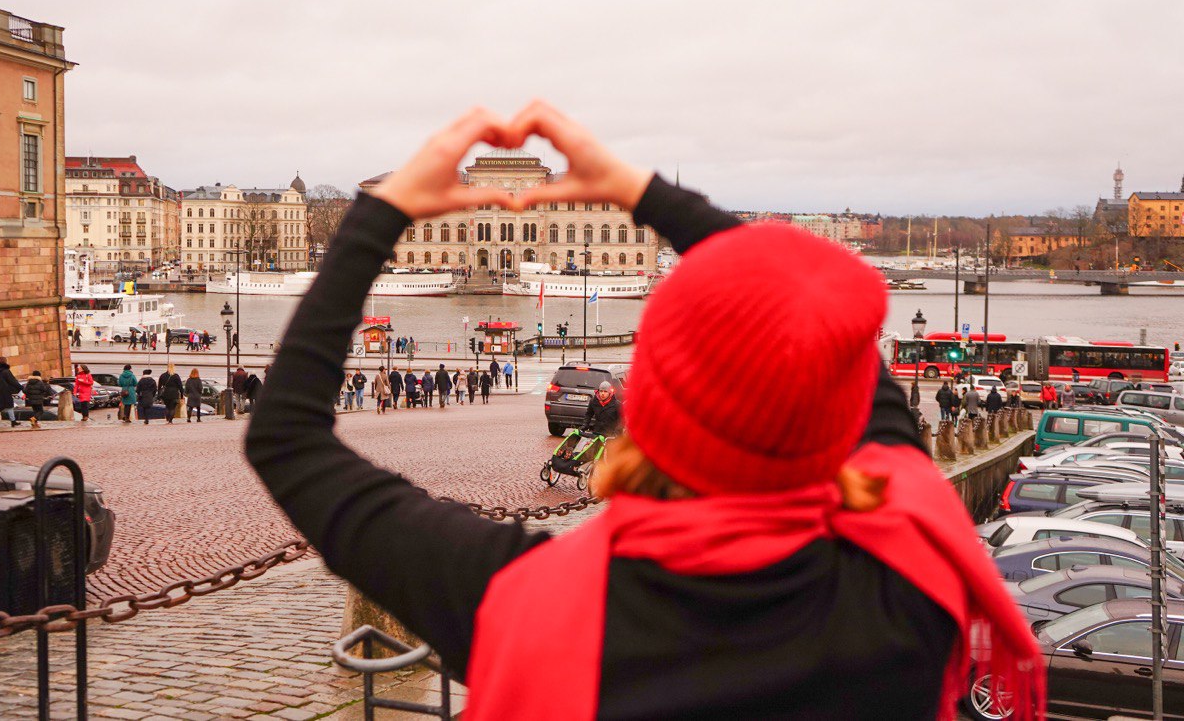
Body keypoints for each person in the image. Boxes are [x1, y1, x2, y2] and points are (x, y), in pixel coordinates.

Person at [245, 105, 1042, 720]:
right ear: (831, 413)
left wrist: (380, 213)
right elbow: (810, 319)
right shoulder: (911, 572)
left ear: (645, 411)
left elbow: (286, 438)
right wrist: (642, 191)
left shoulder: (527, 601)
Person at [0, 357, 22, 427]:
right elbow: (13, 381)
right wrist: (21, 387)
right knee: (9, 406)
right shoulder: (6, 371)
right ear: (5, 362)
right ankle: (13, 421)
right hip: (5, 391)